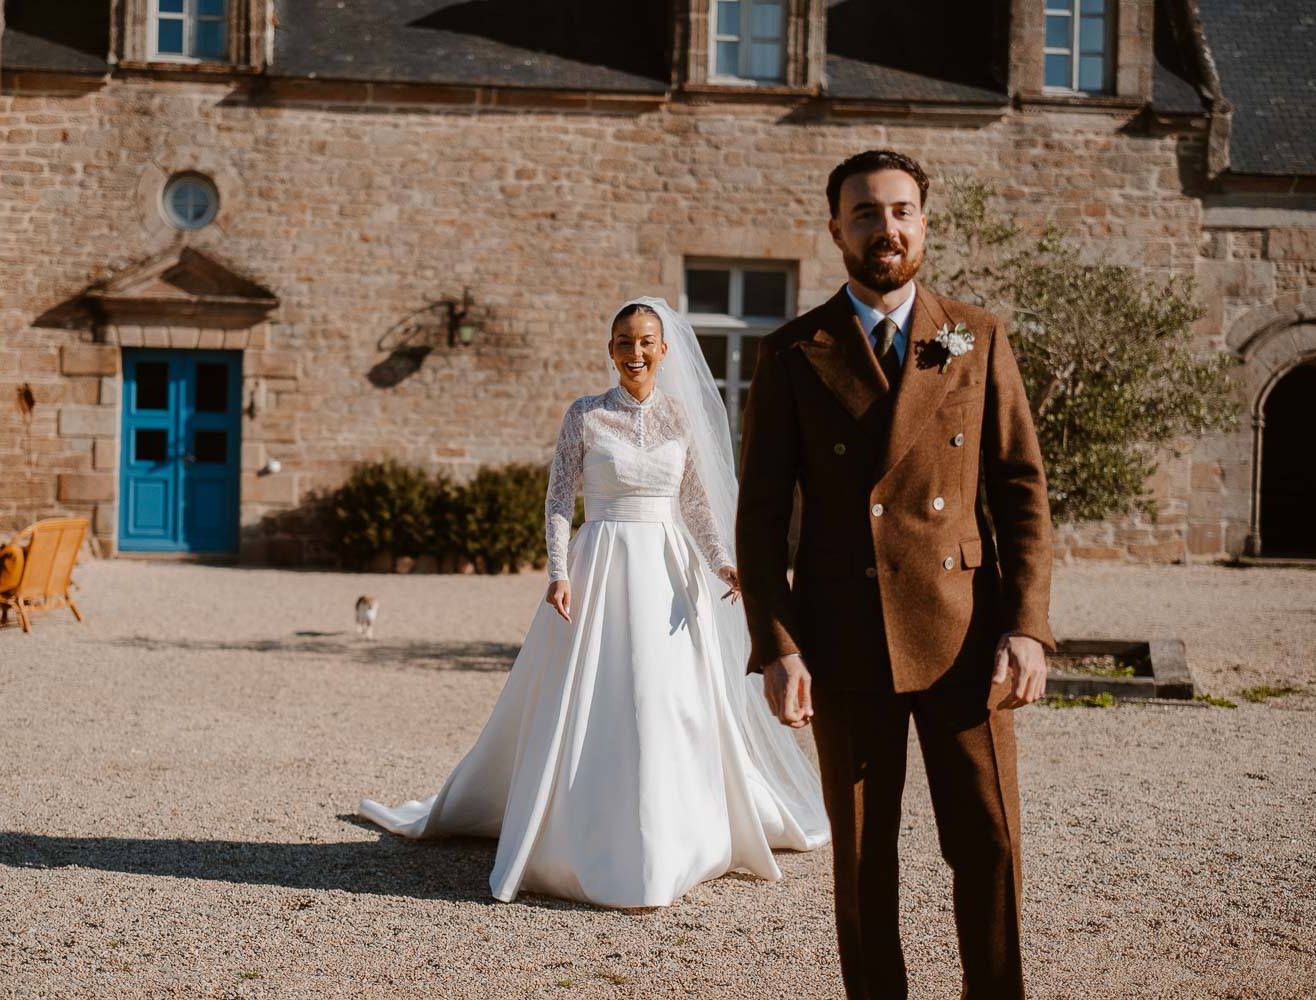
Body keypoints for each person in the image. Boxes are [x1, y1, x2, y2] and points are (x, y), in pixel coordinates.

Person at [360, 297, 829, 908]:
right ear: (610, 351)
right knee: (598, 695)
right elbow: (559, 499)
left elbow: (696, 507)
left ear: (664, 350)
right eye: (624, 342)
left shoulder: (681, 419)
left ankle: (679, 832)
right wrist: (558, 571)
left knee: (668, 700)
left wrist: (722, 562)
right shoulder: (584, 415)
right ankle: (582, 829)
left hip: (667, 573)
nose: (635, 353)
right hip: (600, 565)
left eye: (645, 342)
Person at [736, 149, 1055, 998]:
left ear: (925, 222)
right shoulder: (793, 352)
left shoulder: (975, 335)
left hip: (966, 632)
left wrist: (1026, 625)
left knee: (987, 841)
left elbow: (1021, 488)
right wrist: (777, 644)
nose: (888, 229)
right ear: (836, 226)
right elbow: (760, 517)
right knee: (865, 856)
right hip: (844, 639)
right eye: (867, 213)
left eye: (902, 211)